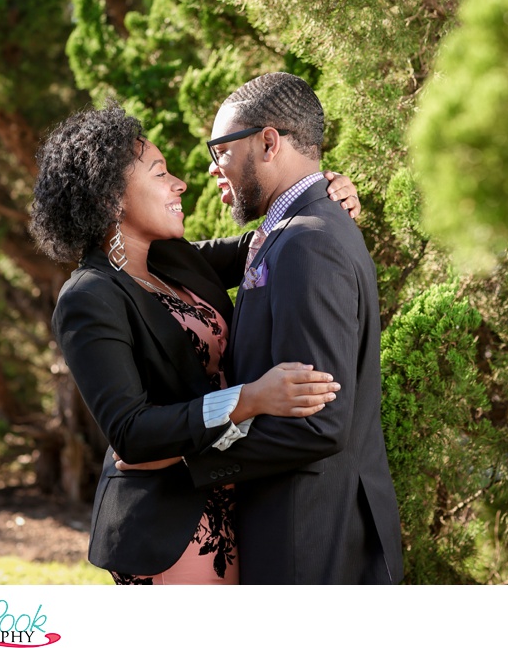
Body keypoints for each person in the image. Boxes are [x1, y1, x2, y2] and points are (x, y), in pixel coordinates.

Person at [29, 103, 357, 584]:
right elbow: (131, 434)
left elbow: (277, 239)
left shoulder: (174, 262)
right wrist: (249, 399)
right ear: (111, 200)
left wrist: (325, 189)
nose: (179, 183)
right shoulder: (88, 297)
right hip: (172, 529)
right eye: (160, 173)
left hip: (236, 503)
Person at [182, 72, 403, 584]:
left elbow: (317, 423)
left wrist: (188, 464)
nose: (213, 168)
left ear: (267, 142)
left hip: (311, 542)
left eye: (219, 150)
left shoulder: (310, 241)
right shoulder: (294, 230)